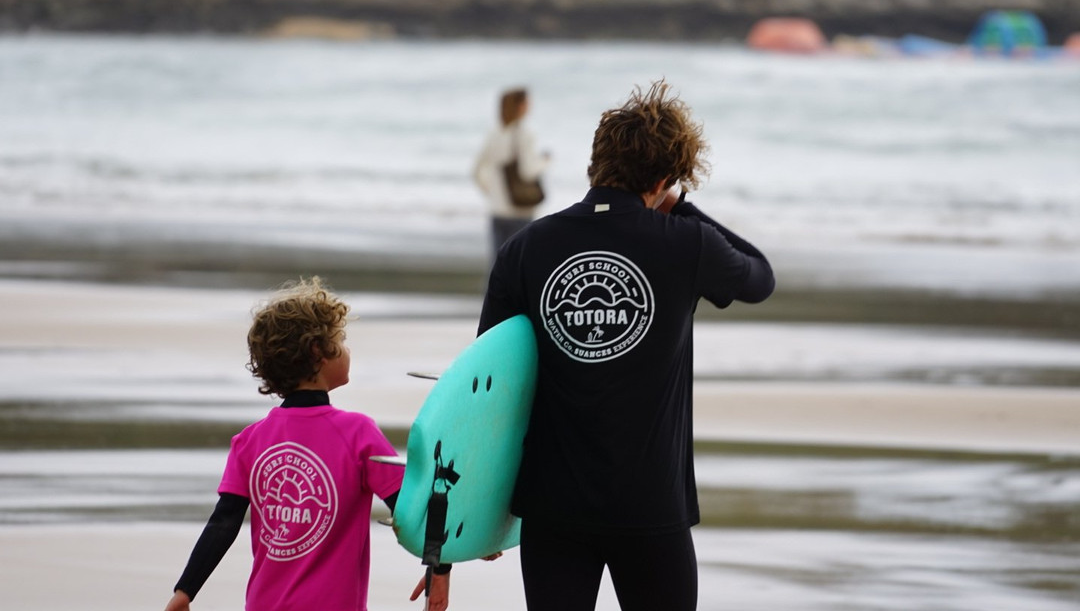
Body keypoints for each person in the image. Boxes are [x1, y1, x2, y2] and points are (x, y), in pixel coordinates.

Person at [476, 81, 775, 611]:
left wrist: (483, 507)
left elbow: (488, 383)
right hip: (650, 506)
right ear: (665, 178)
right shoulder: (687, 245)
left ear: (596, 163)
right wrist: (681, 209)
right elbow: (759, 277)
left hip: (552, 507)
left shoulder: (525, 247)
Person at [163, 277, 450, 611]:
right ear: (318, 351)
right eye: (340, 341)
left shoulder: (251, 441)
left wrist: (185, 591)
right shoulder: (358, 434)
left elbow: (222, 524)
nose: (347, 350)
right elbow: (411, 508)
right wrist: (443, 562)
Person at [472, 87, 550, 257]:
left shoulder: (494, 133)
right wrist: (545, 162)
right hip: (520, 210)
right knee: (520, 264)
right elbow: (527, 172)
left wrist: (489, 190)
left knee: (497, 264)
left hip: (497, 209)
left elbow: (477, 170)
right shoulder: (524, 134)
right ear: (520, 106)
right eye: (527, 102)